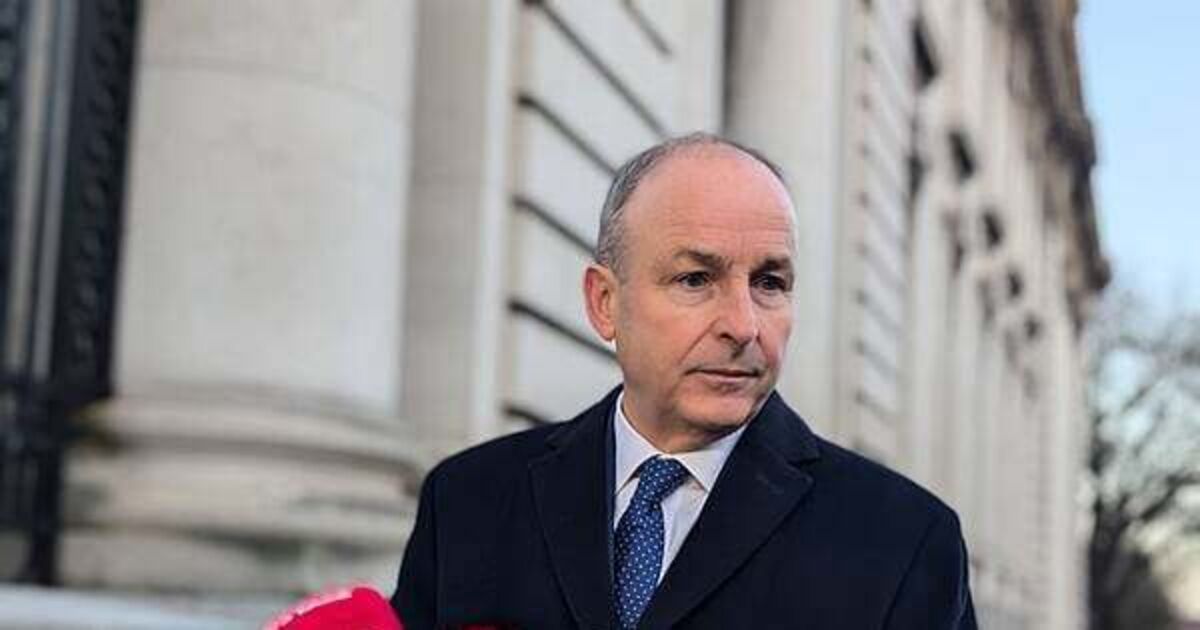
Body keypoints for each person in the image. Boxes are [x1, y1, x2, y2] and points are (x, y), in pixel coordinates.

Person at [391, 133, 977, 629]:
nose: (743, 325)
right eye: (696, 279)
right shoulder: (467, 501)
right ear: (604, 302)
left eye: (769, 283)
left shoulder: (905, 544)